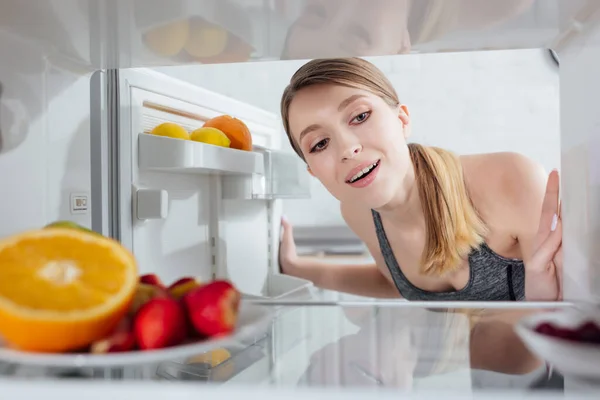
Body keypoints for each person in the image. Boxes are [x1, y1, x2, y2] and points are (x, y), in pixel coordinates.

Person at [278, 57, 563, 302]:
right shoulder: (356, 211)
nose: (347, 149)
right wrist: (295, 267)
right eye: (319, 144)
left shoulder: (511, 178)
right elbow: (393, 282)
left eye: (360, 116)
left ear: (402, 120)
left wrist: (546, 301)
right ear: (313, 171)